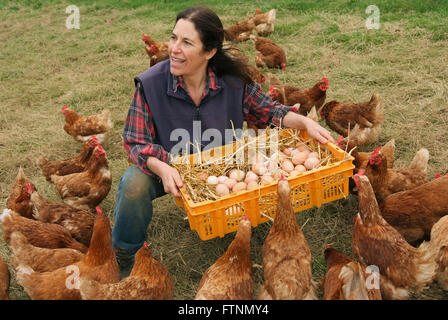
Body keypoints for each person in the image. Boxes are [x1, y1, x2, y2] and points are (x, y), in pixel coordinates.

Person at [112, 6, 335, 278]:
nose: (174, 49)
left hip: (222, 164)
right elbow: (134, 142)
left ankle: (234, 219)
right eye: (173, 38)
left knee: (256, 169)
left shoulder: (232, 82)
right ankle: (125, 256)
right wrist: (162, 167)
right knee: (133, 184)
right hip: (170, 165)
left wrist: (305, 122)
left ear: (209, 52)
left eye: (186, 43)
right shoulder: (151, 85)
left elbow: (270, 111)